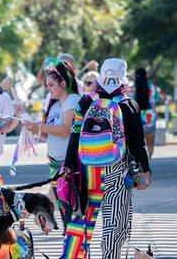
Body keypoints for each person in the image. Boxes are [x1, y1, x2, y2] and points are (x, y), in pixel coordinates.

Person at [61, 58, 151, 259]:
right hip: (118, 171)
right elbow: (138, 142)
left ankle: (74, 255)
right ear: (123, 79)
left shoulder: (85, 101)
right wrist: (145, 171)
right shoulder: (129, 104)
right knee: (114, 224)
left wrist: (68, 164)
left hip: (88, 172)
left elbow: (75, 134)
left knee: (82, 221)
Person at [24, 61, 80, 180]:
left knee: (57, 198)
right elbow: (51, 136)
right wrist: (33, 128)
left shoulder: (72, 101)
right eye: (47, 85)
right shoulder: (54, 106)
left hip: (69, 166)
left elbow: (66, 131)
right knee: (56, 198)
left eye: (51, 84)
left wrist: (40, 126)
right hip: (56, 164)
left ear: (63, 83)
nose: (47, 88)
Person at [134, 68, 164, 157]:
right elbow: (163, 98)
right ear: (146, 76)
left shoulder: (131, 89)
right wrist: (155, 102)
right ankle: (147, 164)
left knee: (137, 145)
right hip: (150, 120)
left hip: (136, 120)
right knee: (150, 144)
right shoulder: (154, 88)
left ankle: (140, 166)